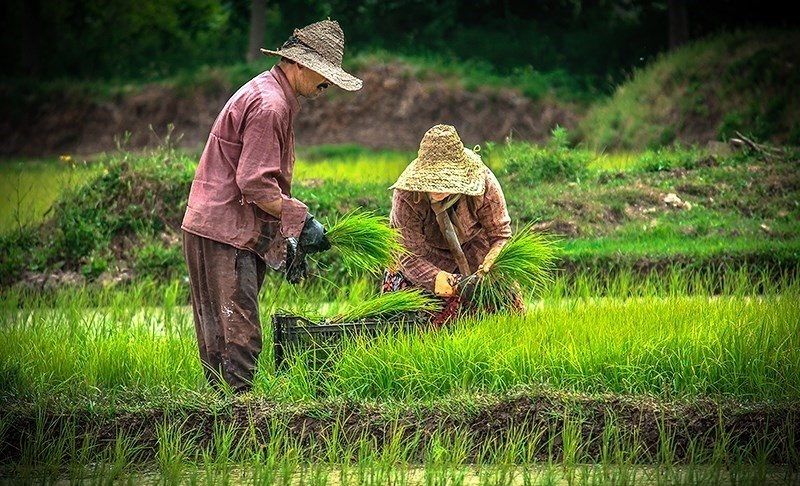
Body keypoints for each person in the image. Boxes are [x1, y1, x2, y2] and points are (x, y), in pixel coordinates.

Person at [181, 20, 362, 393]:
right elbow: (255, 183)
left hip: (221, 225)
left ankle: (225, 413)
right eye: (324, 76)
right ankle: (238, 417)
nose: (326, 85)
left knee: (225, 331)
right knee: (238, 333)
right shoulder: (271, 105)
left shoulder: (270, 93)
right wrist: (301, 218)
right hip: (225, 230)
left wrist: (287, 238)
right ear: (300, 64)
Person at [385, 124, 520, 326]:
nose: (437, 188)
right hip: (424, 260)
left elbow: (500, 235)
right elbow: (408, 254)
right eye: (432, 182)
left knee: (504, 311)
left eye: (444, 183)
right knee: (411, 320)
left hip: (474, 254)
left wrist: (488, 266)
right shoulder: (407, 196)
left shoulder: (484, 183)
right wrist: (454, 283)